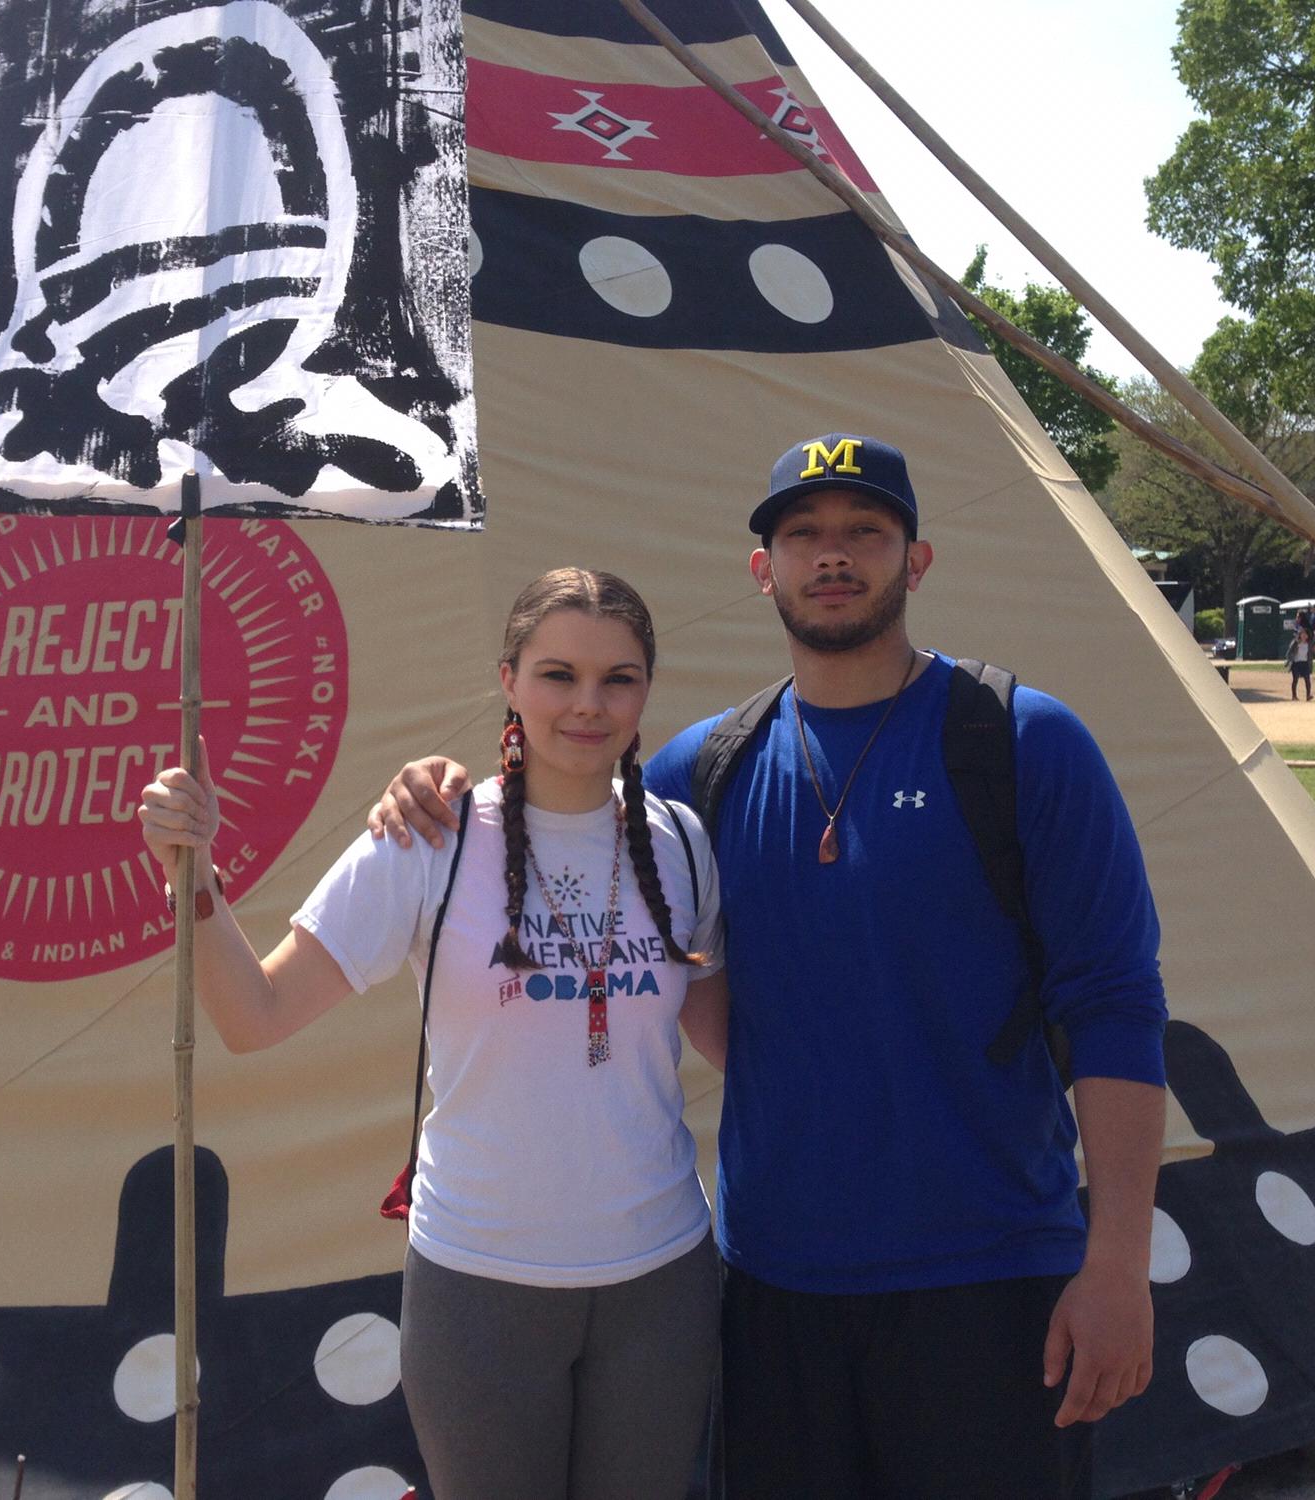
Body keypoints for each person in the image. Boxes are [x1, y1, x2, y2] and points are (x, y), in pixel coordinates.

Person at [372, 435, 1168, 1500]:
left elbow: (1114, 1004)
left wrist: (1115, 1262)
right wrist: (425, 788)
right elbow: (551, 807)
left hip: (989, 1274)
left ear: (915, 560)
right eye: (802, 536)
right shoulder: (699, 773)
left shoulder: (1018, 741)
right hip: (770, 1286)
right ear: (763, 570)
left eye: (861, 534)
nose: (830, 557)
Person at [139, 569, 730, 1500]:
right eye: (557, 674)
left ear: (648, 688)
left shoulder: (682, 841)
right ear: (508, 680)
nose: (587, 703)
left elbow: (730, 1039)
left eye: (618, 678)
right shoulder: (428, 835)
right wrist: (193, 875)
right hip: (480, 1282)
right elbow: (253, 1016)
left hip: (661, 1278)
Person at [1286, 624, 1315, 700]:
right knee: (1295, 679)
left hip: (1304, 663)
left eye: (1306, 634)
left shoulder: (1309, 644)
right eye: (1303, 634)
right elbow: (1289, 652)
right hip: (1296, 663)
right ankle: (1294, 696)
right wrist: (1289, 660)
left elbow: (1311, 653)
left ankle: (1308, 695)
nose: (1304, 636)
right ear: (1300, 635)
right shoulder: (1296, 643)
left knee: (1307, 679)